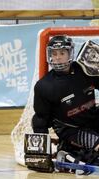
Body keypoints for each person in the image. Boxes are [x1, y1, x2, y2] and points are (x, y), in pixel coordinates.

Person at [31, 35, 99, 169]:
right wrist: (41, 155)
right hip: (70, 130)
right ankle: (68, 148)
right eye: (54, 53)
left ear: (70, 53)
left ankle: (73, 151)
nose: (57, 57)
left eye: (62, 53)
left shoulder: (86, 70)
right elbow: (40, 120)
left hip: (92, 119)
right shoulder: (44, 86)